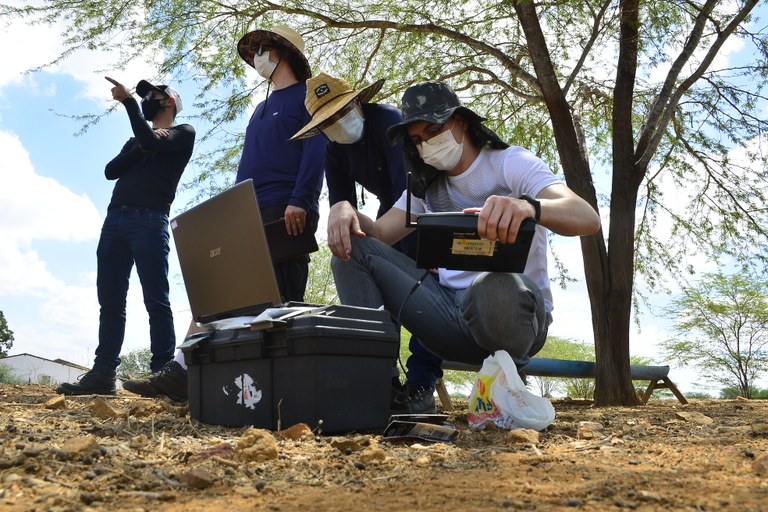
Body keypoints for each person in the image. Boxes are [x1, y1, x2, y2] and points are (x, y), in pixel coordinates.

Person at [327, 81, 601, 412]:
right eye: (418, 140)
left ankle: (509, 386)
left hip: (512, 315)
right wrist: (345, 210)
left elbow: (586, 217)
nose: (427, 143)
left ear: (461, 121)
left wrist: (529, 207)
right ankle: (377, 391)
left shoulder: (509, 163)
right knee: (350, 250)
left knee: (498, 284)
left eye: (434, 130)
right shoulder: (424, 188)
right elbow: (378, 235)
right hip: (447, 318)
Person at [121, 24, 325, 401]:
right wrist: (232, 209)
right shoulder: (260, 108)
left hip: (287, 209)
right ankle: (184, 373)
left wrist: (303, 199)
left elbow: (317, 150)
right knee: (219, 290)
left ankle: (284, 390)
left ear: (284, 53)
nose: (258, 57)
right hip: (248, 211)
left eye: (263, 48)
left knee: (281, 303)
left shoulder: (308, 97)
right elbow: (247, 165)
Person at [289, 72, 443, 412]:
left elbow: (410, 195)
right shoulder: (334, 153)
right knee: (358, 262)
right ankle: (380, 378)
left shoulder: (388, 122)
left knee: (427, 280)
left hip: (422, 208)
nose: (337, 123)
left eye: (342, 111)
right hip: (388, 214)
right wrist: (341, 215)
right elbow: (343, 204)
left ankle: (422, 382)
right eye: (328, 120)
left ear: (358, 102)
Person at [56, 77, 195, 396]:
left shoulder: (184, 132)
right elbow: (111, 170)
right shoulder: (139, 139)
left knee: (156, 300)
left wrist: (129, 104)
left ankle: (163, 374)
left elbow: (154, 144)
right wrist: (144, 145)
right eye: (142, 96)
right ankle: (104, 373)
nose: (146, 99)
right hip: (114, 220)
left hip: (150, 221)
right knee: (111, 301)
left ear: (170, 101)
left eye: (152, 95)